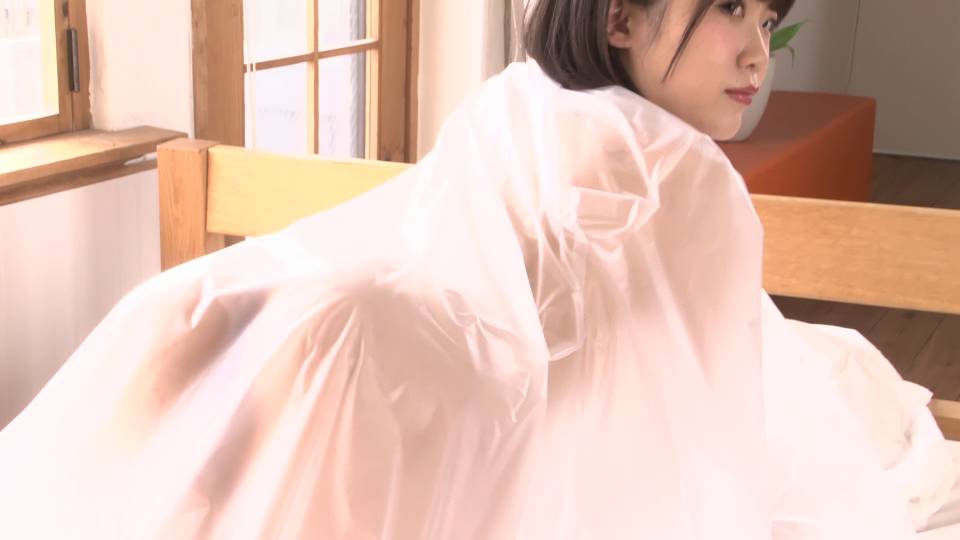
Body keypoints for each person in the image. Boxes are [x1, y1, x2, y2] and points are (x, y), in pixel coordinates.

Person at [0, 1, 954, 538]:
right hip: (445, 345)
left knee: (264, 316)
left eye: (767, 15)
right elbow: (444, 225)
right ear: (620, 18)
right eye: (730, 8)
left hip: (459, 367)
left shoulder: (567, 117)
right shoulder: (552, 116)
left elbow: (666, 380)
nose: (757, 52)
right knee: (251, 312)